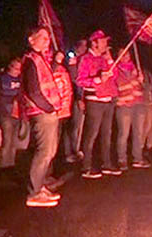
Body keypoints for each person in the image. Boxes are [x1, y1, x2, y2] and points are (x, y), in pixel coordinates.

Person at [19, 27, 64, 208]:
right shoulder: (30, 60)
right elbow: (34, 90)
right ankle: (34, 192)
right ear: (31, 39)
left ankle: (40, 186)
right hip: (42, 113)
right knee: (44, 152)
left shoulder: (40, 60)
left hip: (48, 112)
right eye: (43, 37)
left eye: (47, 38)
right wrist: (49, 108)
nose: (47, 41)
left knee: (50, 151)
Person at [76, 30, 120, 178]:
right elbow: (80, 80)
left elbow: (115, 76)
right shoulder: (85, 59)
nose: (106, 44)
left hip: (108, 100)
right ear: (94, 43)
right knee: (92, 134)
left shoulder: (103, 59)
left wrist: (109, 60)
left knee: (107, 134)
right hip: (95, 101)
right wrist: (95, 80)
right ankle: (86, 167)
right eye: (103, 41)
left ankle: (106, 164)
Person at [114, 51, 150, 170]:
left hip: (138, 103)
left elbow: (146, 88)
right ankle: (122, 159)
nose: (125, 57)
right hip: (124, 104)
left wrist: (142, 80)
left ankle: (138, 158)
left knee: (139, 132)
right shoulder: (115, 70)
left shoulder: (137, 69)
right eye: (122, 54)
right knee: (123, 133)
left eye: (127, 54)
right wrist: (115, 101)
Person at [0, 57, 22, 172]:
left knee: (14, 141)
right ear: (10, 66)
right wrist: (11, 101)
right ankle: (3, 165)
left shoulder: (21, 80)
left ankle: (11, 164)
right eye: (15, 67)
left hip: (17, 113)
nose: (17, 71)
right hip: (6, 114)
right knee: (7, 140)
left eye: (19, 69)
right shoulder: (1, 79)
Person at [51, 50, 76, 163]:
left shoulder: (65, 69)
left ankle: (67, 154)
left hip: (66, 107)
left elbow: (74, 78)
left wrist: (72, 66)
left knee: (66, 132)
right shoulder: (50, 67)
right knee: (54, 136)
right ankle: (51, 160)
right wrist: (56, 62)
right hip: (55, 108)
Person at [67, 39, 88, 163]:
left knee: (78, 125)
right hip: (74, 97)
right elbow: (74, 81)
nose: (84, 48)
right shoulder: (72, 60)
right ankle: (71, 151)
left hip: (81, 96)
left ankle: (76, 149)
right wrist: (78, 98)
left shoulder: (84, 60)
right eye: (82, 45)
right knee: (74, 126)